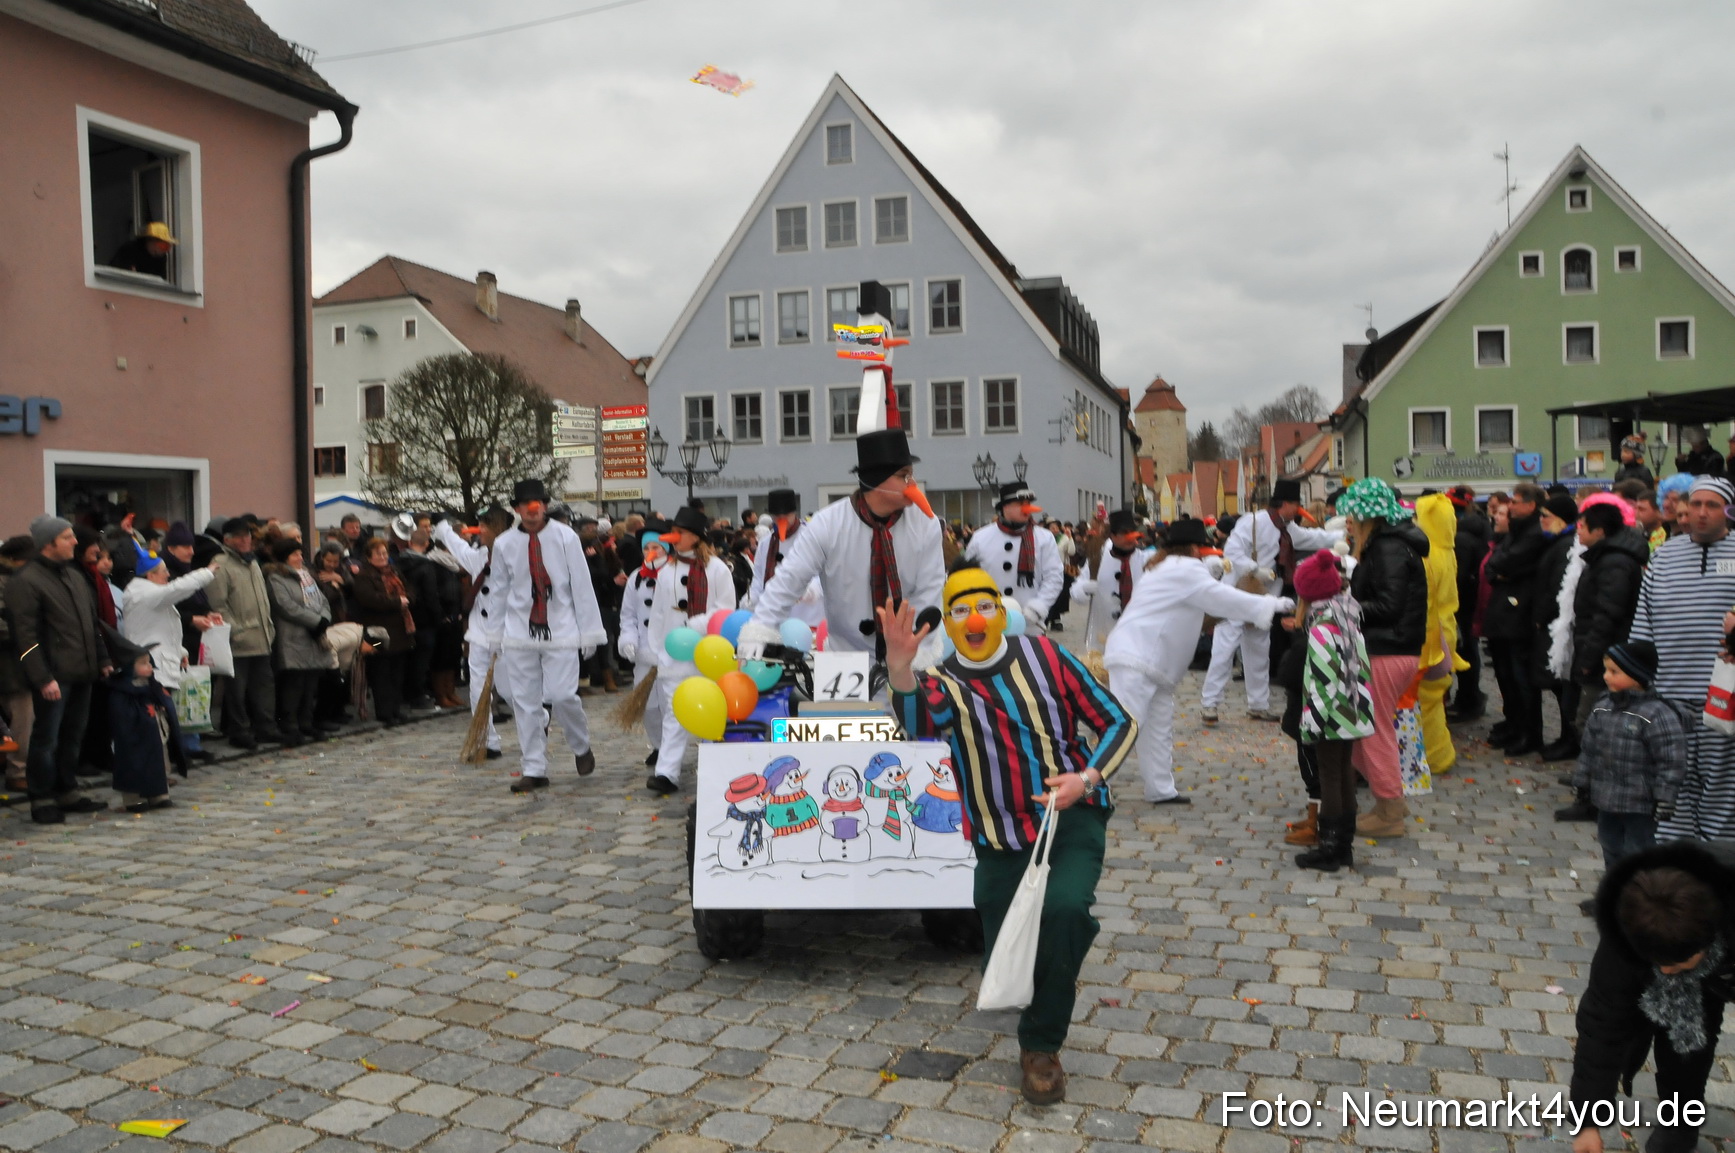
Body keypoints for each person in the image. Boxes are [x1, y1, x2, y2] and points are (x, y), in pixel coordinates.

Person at [879, 569, 1137, 1106]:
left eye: (985, 606)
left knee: (1066, 910)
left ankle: (1041, 1046)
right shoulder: (943, 681)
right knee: (1006, 940)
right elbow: (919, 726)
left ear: (1001, 610)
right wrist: (900, 667)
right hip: (998, 834)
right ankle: (1049, 975)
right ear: (948, 622)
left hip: (1069, 817)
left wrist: (1085, 779)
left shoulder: (1047, 657)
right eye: (961, 610)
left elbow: (1118, 722)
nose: (975, 619)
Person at [1103, 518, 1290, 805]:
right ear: (1193, 548)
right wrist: (1269, 604)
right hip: (1139, 657)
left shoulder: (1163, 566)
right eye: (1203, 548)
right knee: (1126, 725)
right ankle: (1092, 786)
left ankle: (1161, 788)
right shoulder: (1184, 570)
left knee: (1157, 727)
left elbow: (1202, 603)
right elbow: (1220, 599)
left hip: (1148, 659)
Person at [1570, 842, 1735, 1153]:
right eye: (1659, 963)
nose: (1668, 971)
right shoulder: (1625, 930)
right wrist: (1588, 1122)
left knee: (1697, 1030)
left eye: (1676, 963)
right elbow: (1602, 1026)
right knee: (1687, 1031)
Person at [738, 429, 945, 663]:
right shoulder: (827, 524)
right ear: (877, 480)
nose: (913, 483)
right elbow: (789, 579)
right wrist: (761, 627)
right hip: (845, 659)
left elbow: (930, 591)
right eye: (904, 475)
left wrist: (917, 652)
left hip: (908, 657)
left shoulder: (926, 526)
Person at [1631, 476, 1735, 841]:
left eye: (1712, 505)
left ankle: (1721, 862)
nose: (1702, 513)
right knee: (1672, 780)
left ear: (1728, 511)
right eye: (1696, 504)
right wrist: (1635, 676)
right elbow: (1643, 622)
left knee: (1723, 784)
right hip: (1669, 694)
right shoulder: (1664, 555)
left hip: (1723, 698)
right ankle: (1675, 861)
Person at [490, 479, 607, 793]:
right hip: (519, 631)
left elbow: (581, 585)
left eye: (538, 503)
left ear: (544, 506)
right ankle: (534, 767)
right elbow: (499, 590)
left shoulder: (565, 536)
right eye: (526, 504)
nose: (533, 509)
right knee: (525, 702)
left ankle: (580, 745)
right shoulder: (503, 544)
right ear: (516, 510)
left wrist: (590, 632)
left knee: (562, 694)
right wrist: (494, 634)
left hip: (561, 629)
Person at [1201, 478, 1341, 725]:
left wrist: (1343, 534)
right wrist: (1256, 569)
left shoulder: (1288, 528)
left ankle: (1258, 705)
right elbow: (1232, 552)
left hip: (1264, 599)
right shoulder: (1252, 522)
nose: (1299, 510)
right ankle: (1209, 704)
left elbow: (1314, 538)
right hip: (1237, 593)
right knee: (1224, 649)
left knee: (1259, 650)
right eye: (1297, 505)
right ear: (1285, 504)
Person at [6, 516, 113, 824]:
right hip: (54, 676)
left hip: (83, 671)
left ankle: (67, 790)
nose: (75, 541)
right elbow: (24, 638)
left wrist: (103, 659)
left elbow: (90, 625)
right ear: (49, 543)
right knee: (46, 739)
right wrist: (42, 678)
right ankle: (41, 798)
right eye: (67, 537)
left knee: (72, 736)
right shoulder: (25, 581)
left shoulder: (74, 576)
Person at [1338, 478, 1429, 837]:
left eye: (1352, 514)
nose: (1347, 520)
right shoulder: (1387, 544)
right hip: (1388, 647)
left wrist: (1345, 607)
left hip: (1388, 649)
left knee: (1374, 729)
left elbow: (1390, 605)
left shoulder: (1388, 547)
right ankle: (1388, 802)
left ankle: (1390, 809)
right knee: (1366, 730)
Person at [1571, 641, 1687, 883]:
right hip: (1607, 798)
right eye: (1606, 670)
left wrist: (1665, 797)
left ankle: (1638, 898)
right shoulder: (1602, 708)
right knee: (1610, 847)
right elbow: (1589, 750)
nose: (1606, 677)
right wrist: (1582, 782)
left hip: (1640, 804)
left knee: (1638, 852)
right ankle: (1614, 894)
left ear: (1637, 676)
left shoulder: (1657, 713)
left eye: (1614, 672)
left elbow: (1671, 759)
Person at [1289, 550, 1375, 872]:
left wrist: (1311, 722)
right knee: (1343, 775)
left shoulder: (1323, 627)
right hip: (1351, 711)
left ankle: (1330, 847)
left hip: (1331, 715)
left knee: (1330, 778)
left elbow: (1323, 681)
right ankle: (1344, 846)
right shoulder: (1348, 616)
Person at [645, 506, 737, 794]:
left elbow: (726, 610)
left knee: (710, 709)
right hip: (674, 654)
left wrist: (697, 624)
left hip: (707, 652)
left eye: (681, 533)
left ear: (695, 538)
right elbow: (659, 613)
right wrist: (657, 649)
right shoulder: (665, 571)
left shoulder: (717, 569)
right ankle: (666, 773)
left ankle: (716, 769)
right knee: (674, 711)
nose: (675, 537)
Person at [121, 544, 219, 759]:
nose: (167, 575)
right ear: (150, 575)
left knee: (160, 719)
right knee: (155, 720)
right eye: (163, 571)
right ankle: (155, 767)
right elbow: (178, 589)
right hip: (152, 666)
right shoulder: (146, 594)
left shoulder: (150, 593)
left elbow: (163, 628)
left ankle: (160, 765)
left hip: (159, 661)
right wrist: (206, 572)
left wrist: (181, 651)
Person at [435, 506, 514, 759]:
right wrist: (442, 527)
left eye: (486, 527)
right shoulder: (480, 557)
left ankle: (539, 720)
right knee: (477, 687)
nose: (481, 531)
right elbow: (459, 548)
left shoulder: (516, 556)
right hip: (480, 632)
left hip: (507, 634)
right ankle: (487, 740)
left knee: (511, 690)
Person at [1484, 483, 1549, 756]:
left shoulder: (1534, 533)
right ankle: (1514, 724)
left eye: (1517, 501)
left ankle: (1528, 732)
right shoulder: (1517, 530)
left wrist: (1501, 569)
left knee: (1521, 678)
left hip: (1519, 614)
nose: (1511, 506)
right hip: (1504, 613)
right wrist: (1499, 569)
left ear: (1531, 505)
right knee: (1505, 675)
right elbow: (1493, 564)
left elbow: (1507, 562)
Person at [206, 517, 279, 748]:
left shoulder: (253, 562)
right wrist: (235, 631)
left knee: (264, 687)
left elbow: (262, 599)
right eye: (239, 536)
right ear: (227, 540)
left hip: (262, 636)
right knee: (237, 691)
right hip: (238, 639)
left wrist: (268, 626)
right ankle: (240, 731)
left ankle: (266, 728)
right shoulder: (221, 565)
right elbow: (218, 605)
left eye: (247, 535)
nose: (245, 540)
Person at [964, 482, 1064, 637]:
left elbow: (1054, 577)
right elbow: (967, 578)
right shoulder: (980, 538)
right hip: (989, 626)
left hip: (1029, 625)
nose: (1027, 508)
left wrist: (1038, 607)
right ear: (1005, 507)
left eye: (1028, 503)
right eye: (1020, 503)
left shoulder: (1044, 538)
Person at [1414, 493, 1467, 777]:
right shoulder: (1447, 550)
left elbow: (1426, 600)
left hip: (1431, 634)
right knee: (1435, 698)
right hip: (1447, 630)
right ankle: (1438, 753)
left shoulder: (1428, 554)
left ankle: (1433, 755)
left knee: (1423, 698)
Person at [263, 540, 336, 747]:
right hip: (293, 638)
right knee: (294, 684)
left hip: (313, 637)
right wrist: (315, 620)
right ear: (285, 557)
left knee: (310, 683)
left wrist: (324, 619)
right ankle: (290, 724)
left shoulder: (306, 575)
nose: (300, 558)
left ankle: (306, 721)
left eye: (300, 554)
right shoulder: (276, 578)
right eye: (295, 554)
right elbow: (286, 606)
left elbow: (322, 600)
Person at [1530, 494, 1582, 763]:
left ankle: (1570, 739)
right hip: (1552, 624)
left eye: (1546, 515)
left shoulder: (1564, 546)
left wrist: (1541, 616)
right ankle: (1565, 736)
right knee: (1558, 685)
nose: (1541, 520)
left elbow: (1557, 589)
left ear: (1561, 520)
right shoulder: (1556, 543)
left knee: (1563, 684)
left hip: (1557, 626)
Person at [106, 637, 184, 813]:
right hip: (133, 736)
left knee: (157, 762)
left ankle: (159, 794)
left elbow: (162, 699)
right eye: (143, 663)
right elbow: (120, 716)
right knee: (132, 763)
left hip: (154, 732)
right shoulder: (121, 691)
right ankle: (134, 798)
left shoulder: (152, 685)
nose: (149, 666)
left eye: (149, 662)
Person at [615, 524, 669, 768]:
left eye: (656, 547)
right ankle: (658, 745)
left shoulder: (675, 573)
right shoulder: (636, 577)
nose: (651, 551)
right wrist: (628, 639)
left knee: (670, 705)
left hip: (671, 653)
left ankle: (671, 749)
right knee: (648, 706)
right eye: (646, 547)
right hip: (644, 654)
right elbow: (628, 615)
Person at [1072, 509, 1155, 660]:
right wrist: (1085, 588)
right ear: (1113, 536)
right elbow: (1075, 592)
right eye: (1124, 534)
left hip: (1137, 637)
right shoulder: (1097, 561)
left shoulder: (1146, 560)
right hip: (1103, 635)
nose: (1130, 538)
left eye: (1132, 532)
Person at [350, 537, 415, 728]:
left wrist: (406, 599)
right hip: (378, 635)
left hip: (400, 632)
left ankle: (395, 709)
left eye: (385, 553)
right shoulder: (364, 576)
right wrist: (397, 602)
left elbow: (409, 590)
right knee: (381, 672)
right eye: (378, 553)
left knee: (397, 672)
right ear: (369, 556)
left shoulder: (394, 571)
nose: (382, 556)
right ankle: (384, 712)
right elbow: (370, 599)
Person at [1446, 486, 1492, 720]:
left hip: (1462, 604)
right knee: (1468, 651)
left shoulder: (1461, 537)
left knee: (1465, 652)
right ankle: (1470, 697)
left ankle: (1468, 700)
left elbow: (1459, 576)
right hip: (1470, 601)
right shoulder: (1479, 528)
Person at [747, 489, 824, 627]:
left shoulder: (811, 536)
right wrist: (751, 599)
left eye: (786, 515)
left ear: (794, 513)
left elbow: (823, 575)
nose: (782, 519)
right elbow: (758, 577)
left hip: (807, 621)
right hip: (776, 621)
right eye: (777, 515)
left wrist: (809, 590)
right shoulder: (766, 543)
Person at [0, 536, 36, 791]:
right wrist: (28, 634)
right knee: (22, 716)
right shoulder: (6, 581)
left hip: (24, 658)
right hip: (9, 661)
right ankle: (17, 770)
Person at [105, 221, 176, 278]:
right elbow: (113, 273)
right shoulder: (130, 249)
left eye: (167, 247)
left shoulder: (161, 258)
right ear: (150, 240)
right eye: (163, 246)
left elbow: (161, 281)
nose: (165, 251)